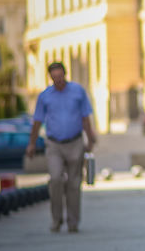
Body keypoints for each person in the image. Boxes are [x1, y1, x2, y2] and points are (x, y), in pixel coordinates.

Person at [26, 62, 96, 233]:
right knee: (55, 179)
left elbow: (86, 118)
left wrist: (91, 139)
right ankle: (56, 219)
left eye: (60, 76)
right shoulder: (45, 96)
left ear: (65, 75)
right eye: (54, 77)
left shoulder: (78, 92)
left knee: (74, 183)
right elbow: (37, 121)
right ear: (50, 77)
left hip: (75, 142)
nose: (58, 80)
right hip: (54, 144)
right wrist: (32, 143)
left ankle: (73, 222)